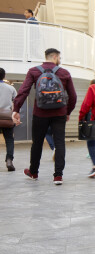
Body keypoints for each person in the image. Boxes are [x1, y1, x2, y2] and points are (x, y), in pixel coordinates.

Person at [12, 48, 77, 185]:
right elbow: (73, 96)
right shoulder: (64, 73)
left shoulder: (34, 71)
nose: (60, 60)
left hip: (40, 113)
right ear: (54, 56)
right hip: (59, 113)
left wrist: (16, 109)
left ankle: (33, 172)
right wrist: (67, 112)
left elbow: (24, 91)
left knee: (37, 143)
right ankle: (58, 176)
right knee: (59, 143)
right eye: (60, 57)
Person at [0, 68, 18, 171]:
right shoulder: (10, 88)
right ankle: (9, 160)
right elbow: (16, 102)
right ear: (4, 76)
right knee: (9, 140)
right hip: (6, 117)